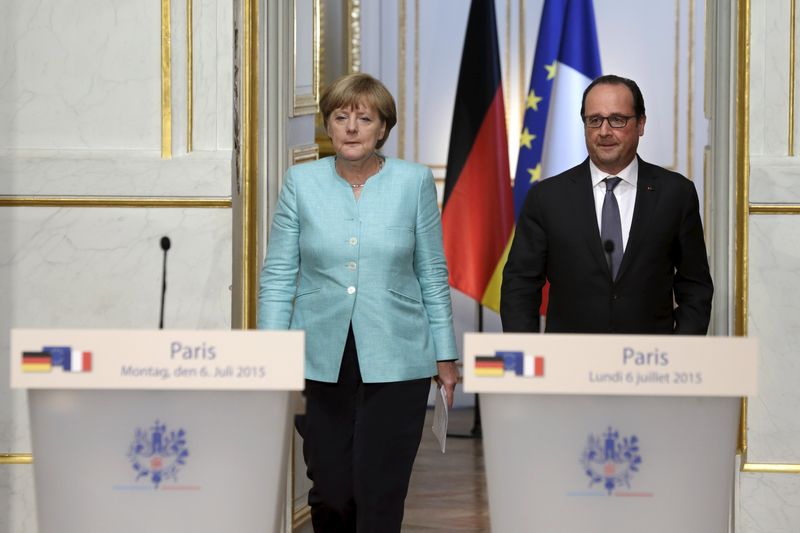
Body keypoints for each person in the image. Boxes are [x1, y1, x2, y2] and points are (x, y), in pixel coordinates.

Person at [257, 72, 459, 533]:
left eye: (363, 118)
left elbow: (431, 271)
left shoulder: (413, 182)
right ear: (328, 124)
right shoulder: (301, 182)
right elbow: (279, 274)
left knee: (380, 489)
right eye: (340, 116)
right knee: (330, 489)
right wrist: (269, 354)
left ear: (382, 128)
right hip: (317, 358)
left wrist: (445, 353)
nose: (351, 127)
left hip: (398, 357)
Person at [501, 74, 713, 335]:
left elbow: (695, 286)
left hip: (652, 364)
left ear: (641, 124)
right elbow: (520, 286)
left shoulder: (675, 193)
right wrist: (527, 357)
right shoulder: (547, 198)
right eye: (595, 120)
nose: (604, 131)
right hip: (569, 363)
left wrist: (681, 351)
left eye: (617, 119)